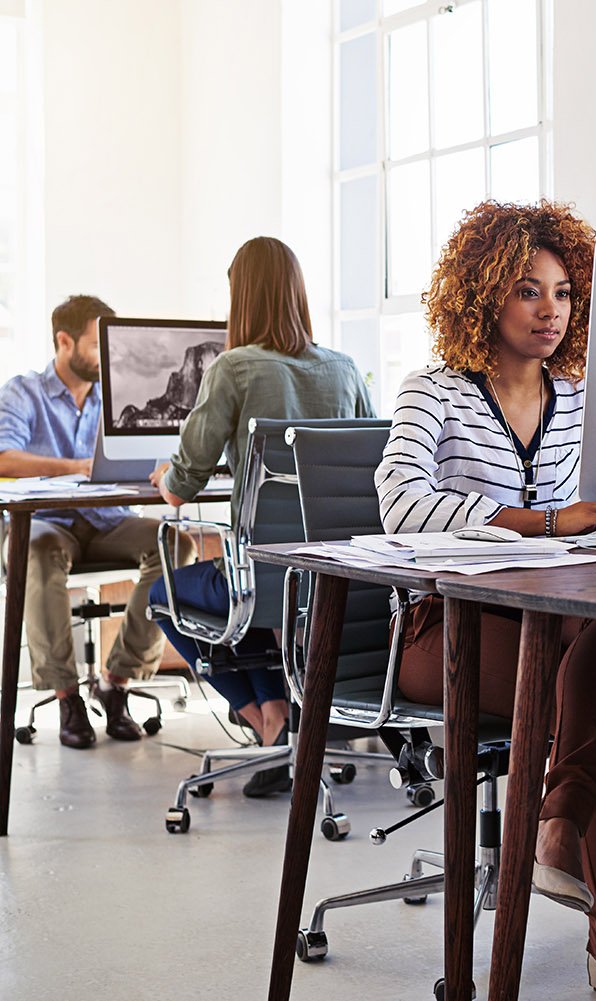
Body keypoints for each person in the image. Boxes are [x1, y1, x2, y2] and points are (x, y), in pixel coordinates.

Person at [376, 200, 596, 1001]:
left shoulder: (578, 394)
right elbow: (400, 504)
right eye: (528, 290)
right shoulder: (434, 391)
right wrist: (544, 520)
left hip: (556, 614)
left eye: (564, 293)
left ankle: (562, 823)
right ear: (483, 296)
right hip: (446, 630)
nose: (551, 310)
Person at [148, 236, 374, 797]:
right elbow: (373, 465)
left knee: (164, 595)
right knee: (266, 602)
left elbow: (181, 488)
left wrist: (164, 476)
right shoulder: (345, 370)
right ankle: (281, 720)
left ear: (242, 298)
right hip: (335, 578)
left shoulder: (233, 368)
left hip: (262, 580)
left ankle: (266, 720)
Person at [0, 295, 195, 748]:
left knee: (176, 545)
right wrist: (76, 467)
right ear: (64, 342)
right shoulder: (22, 392)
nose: (106, 357)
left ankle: (115, 682)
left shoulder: (115, 397)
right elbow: (4, 457)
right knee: (36, 551)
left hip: (107, 520)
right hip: (44, 522)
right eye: (95, 345)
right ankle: (67, 696)